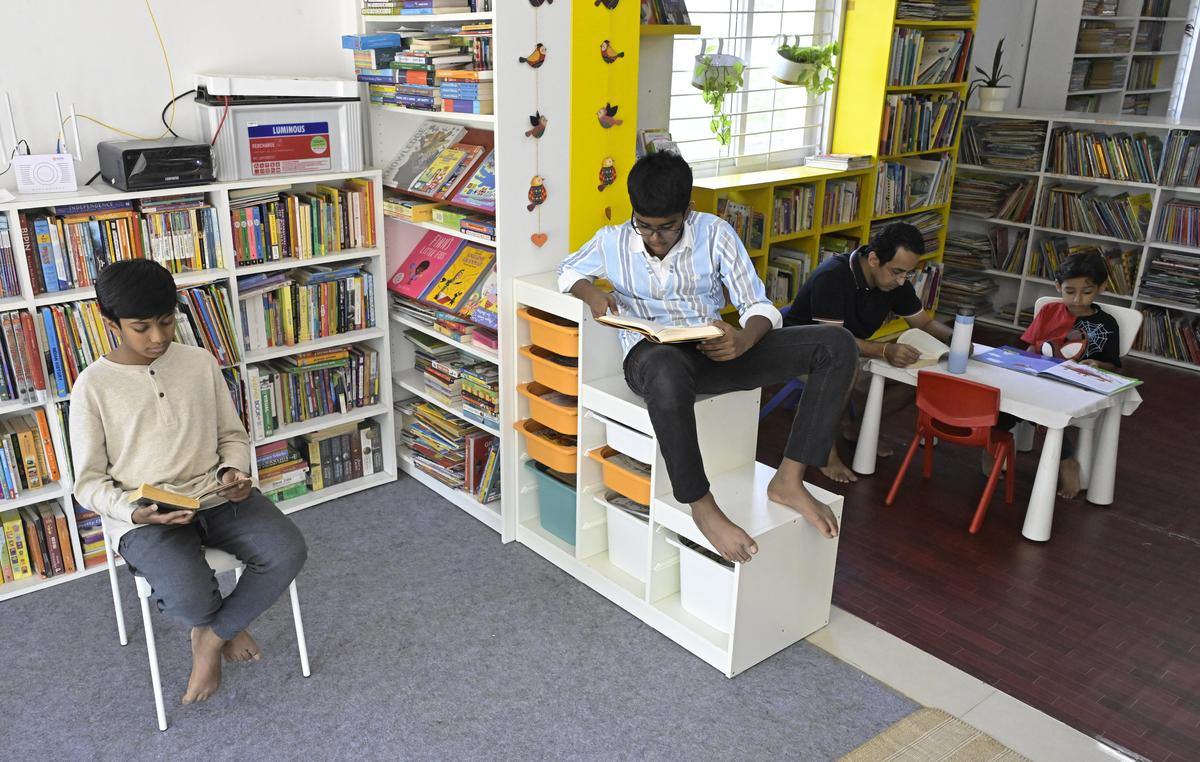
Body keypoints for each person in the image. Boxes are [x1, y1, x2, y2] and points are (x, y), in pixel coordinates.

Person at [556, 152, 857, 563]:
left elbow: (757, 304)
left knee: (836, 345)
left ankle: (789, 479)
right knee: (664, 367)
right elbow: (567, 271)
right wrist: (592, 293)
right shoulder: (612, 240)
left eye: (667, 227)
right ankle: (703, 507)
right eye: (644, 226)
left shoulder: (714, 233)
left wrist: (746, 340)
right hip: (652, 360)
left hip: (716, 350)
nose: (654, 238)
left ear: (688, 212)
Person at [70, 260, 307, 705]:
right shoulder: (93, 387)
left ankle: (212, 637)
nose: (158, 337)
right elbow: (87, 484)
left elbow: (231, 436)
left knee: (288, 550)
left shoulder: (199, 363)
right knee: (189, 599)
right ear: (110, 321)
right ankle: (218, 623)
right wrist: (131, 511)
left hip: (216, 495)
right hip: (148, 516)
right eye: (141, 327)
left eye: (166, 321)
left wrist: (231, 472)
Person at [784, 223, 952, 482]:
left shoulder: (895, 281)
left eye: (906, 274)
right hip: (804, 350)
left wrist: (957, 339)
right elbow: (833, 340)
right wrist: (884, 350)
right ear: (873, 259)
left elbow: (925, 323)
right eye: (896, 272)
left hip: (850, 348)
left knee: (919, 379)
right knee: (845, 370)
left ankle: (858, 429)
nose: (901, 280)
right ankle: (822, 452)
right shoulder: (833, 277)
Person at [1003, 251, 1122, 498]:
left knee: (1043, 407)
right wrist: (1024, 368)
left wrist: (1098, 365)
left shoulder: (1107, 324)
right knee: (1004, 400)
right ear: (1058, 286)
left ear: (1101, 287)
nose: (1077, 299)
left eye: (1087, 291)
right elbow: (1031, 348)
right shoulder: (1049, 312)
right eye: (1069, 291)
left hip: (1079, 389)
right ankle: (997, 447)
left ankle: (1067, 460)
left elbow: (1112, 364)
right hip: (1043, 381)